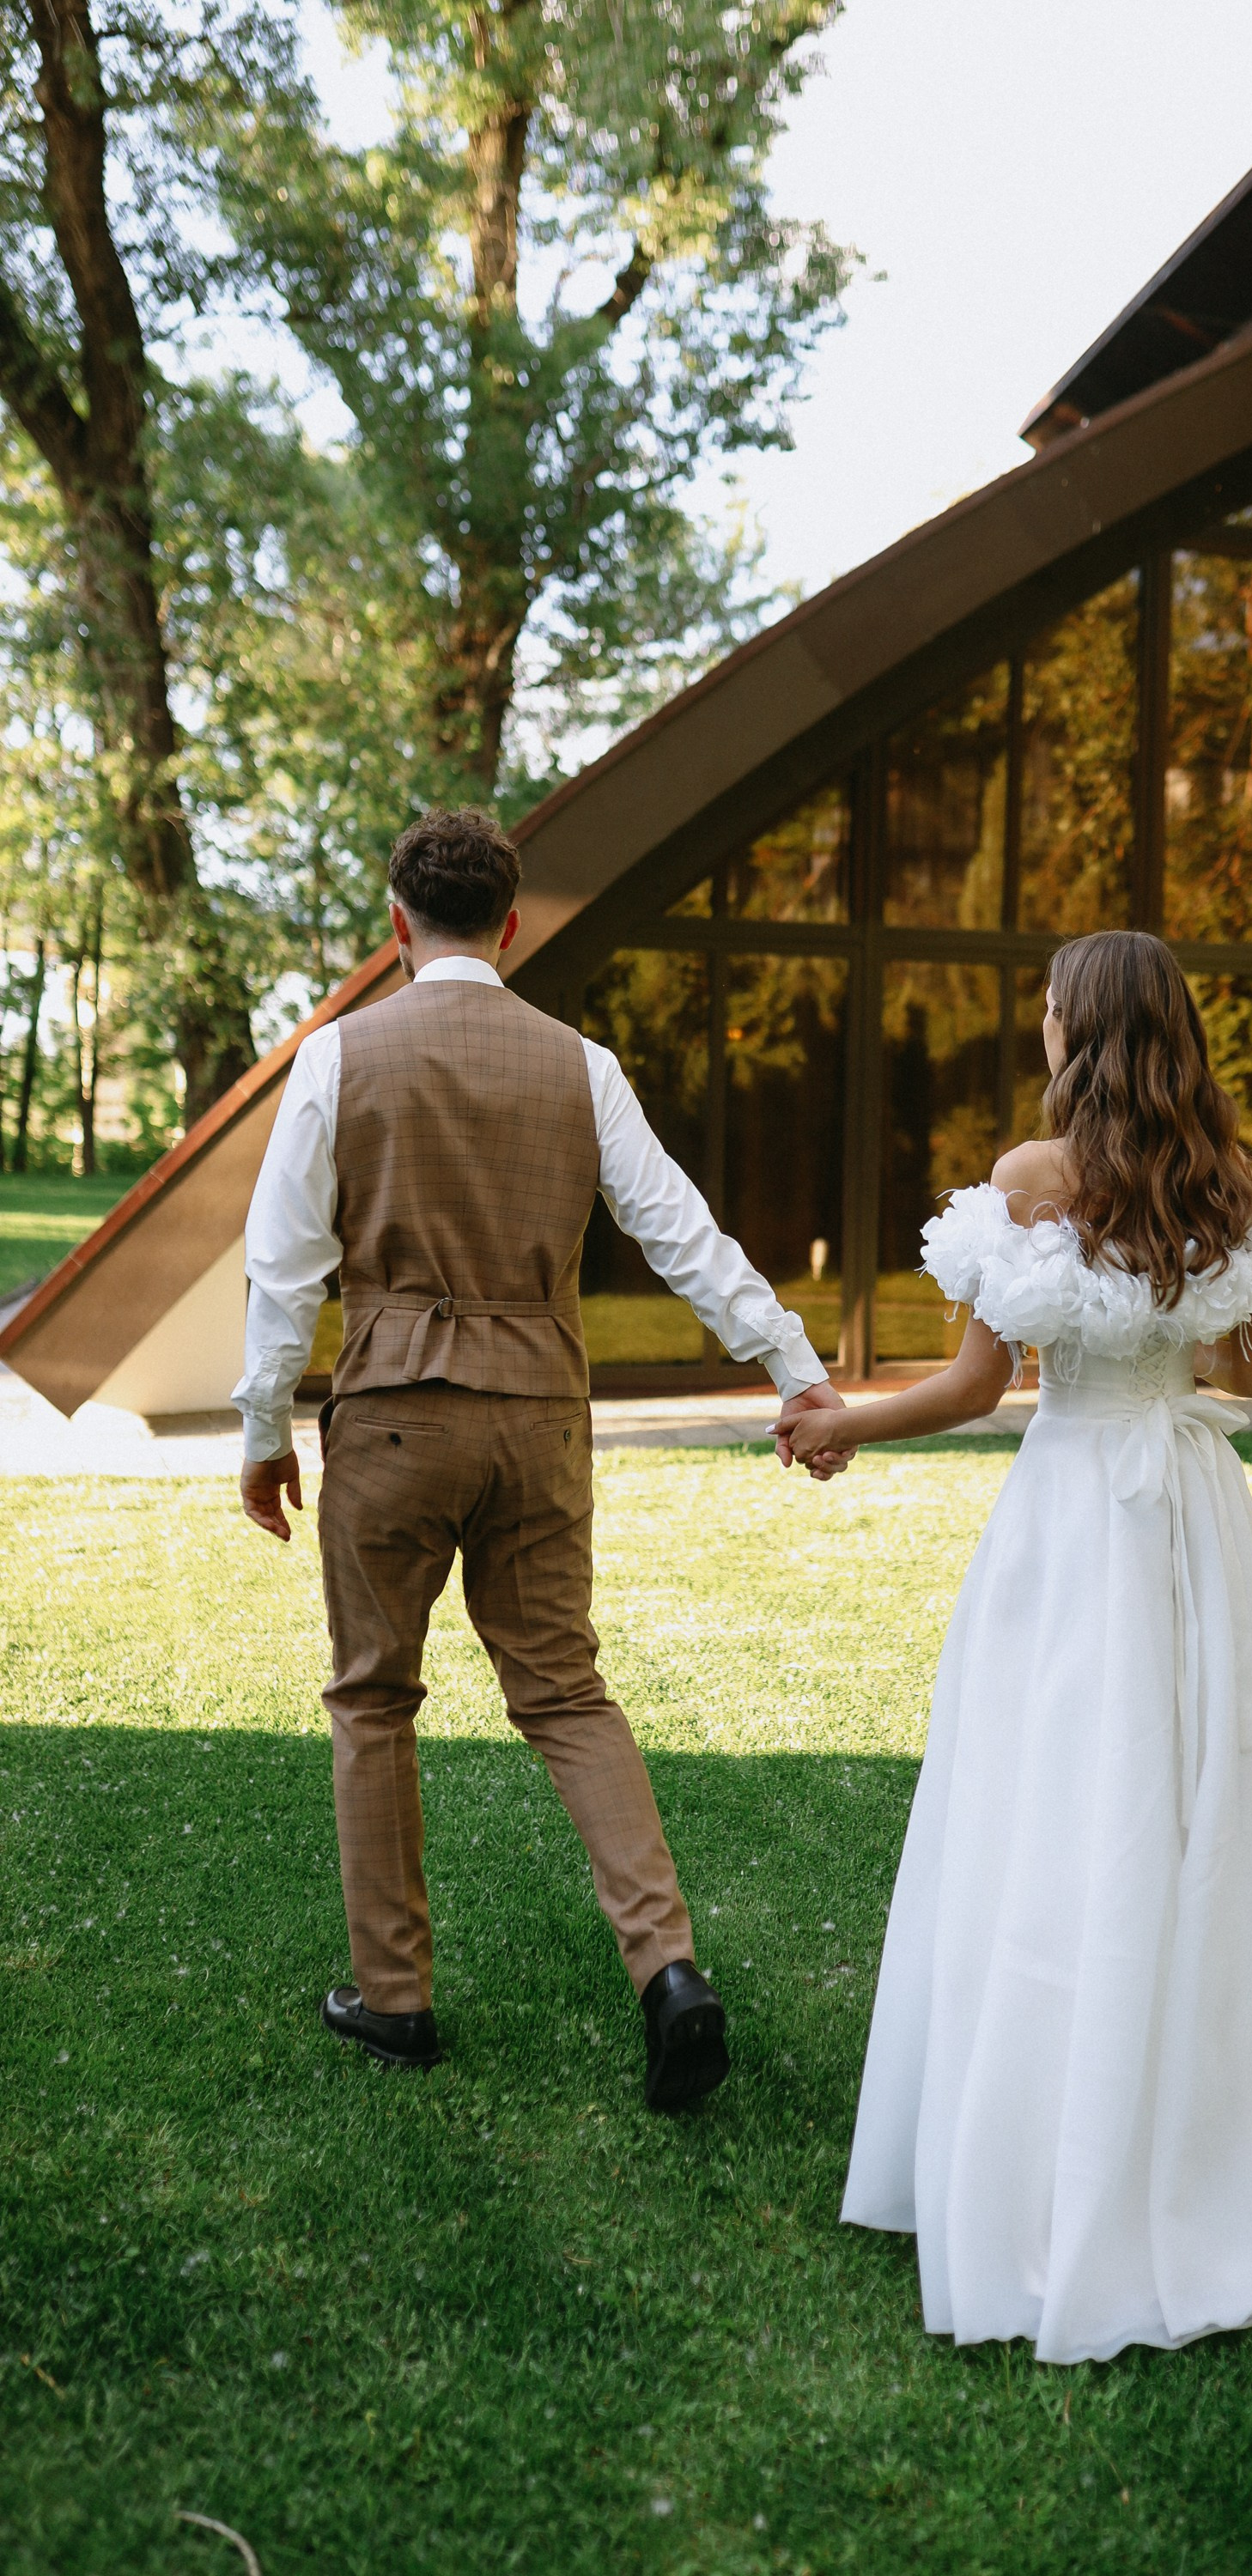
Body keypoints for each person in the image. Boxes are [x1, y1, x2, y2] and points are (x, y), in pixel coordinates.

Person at [781, 929, 1252, 2363]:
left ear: (1075, 1030)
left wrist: (840, 1420)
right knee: (1204, 1798)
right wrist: (1204, 1309)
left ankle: (1052, 2136)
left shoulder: (1031, 1179)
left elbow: (983, 1385)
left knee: (1053, 1803)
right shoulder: (1233, 1183)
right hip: (1194, 1522)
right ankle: (1227, 2114)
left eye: (1049, 1010)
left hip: (1073, 1514)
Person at [235, 806, 846, 2105]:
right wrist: (794, 1365)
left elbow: (283, 1267)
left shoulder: (338, 1058)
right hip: (536, 1426)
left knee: (372, 1699)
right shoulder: (583, 1066)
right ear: (509, 928)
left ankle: (393, 2000)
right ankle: (668, 1968)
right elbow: (684, 1234)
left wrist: (258, 1430)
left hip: (393, 1418)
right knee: (567, 1695)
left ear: (398, 923)